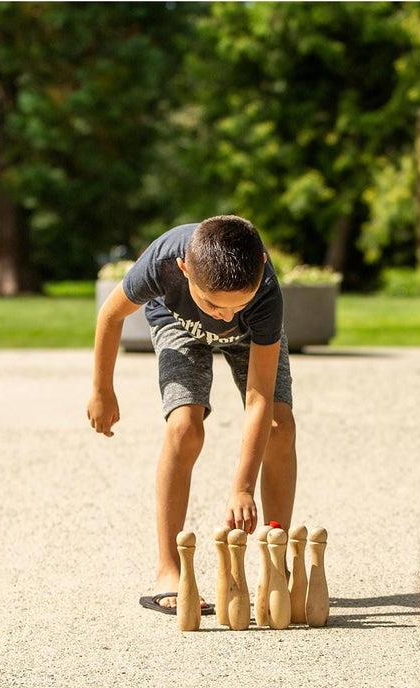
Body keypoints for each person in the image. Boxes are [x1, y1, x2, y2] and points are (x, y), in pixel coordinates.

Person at [87, 215, 296, 615]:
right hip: (177, 323)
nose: (223, 316)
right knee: (184, 428)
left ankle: (277, 563)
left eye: (238, 303)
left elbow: (259, 399)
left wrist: (243, 487)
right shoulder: (163, 262)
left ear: (261, 266)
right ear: (184, 269)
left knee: (280, 425)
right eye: (213, 304)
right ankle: (169, 568)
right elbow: (110, 315)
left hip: (252, 336)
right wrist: (102, 390)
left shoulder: (265, 294)